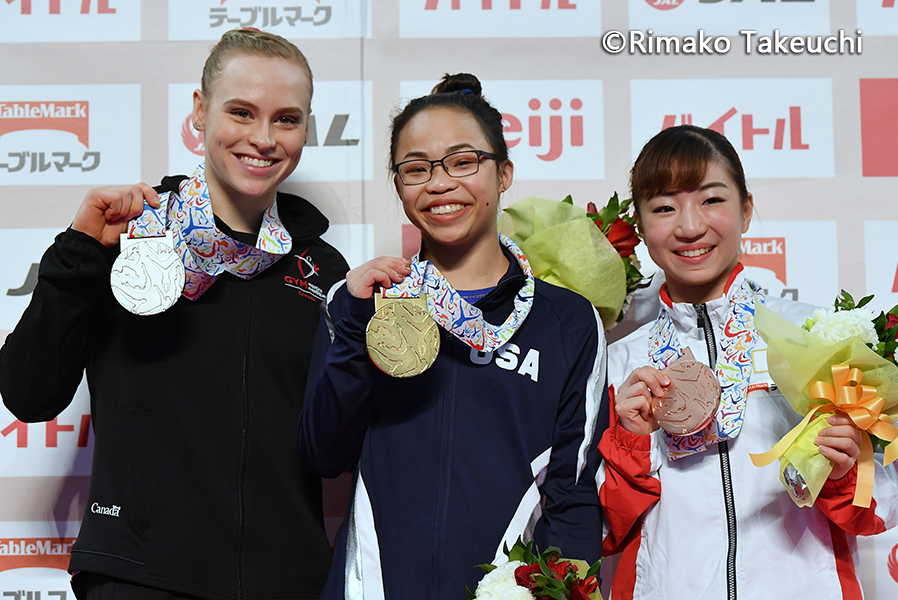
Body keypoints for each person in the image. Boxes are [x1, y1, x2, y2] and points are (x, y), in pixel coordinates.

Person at [0, 29, 349, 600]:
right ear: (199, 110)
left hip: (286, 582)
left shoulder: (322, 268)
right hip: (140, 577)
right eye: (241, 112)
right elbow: (28, 393)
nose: (263, 139)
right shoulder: (127, 238)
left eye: (287, 119)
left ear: (306, 128)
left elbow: (334, 440)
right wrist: (79, 254)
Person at [298, 73, 607, 599]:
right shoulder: (366, 305)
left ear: (504, 173)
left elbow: (573, 493)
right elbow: (324, 454)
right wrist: (352, 325)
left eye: (464, 162)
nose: (440, 184)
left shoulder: (568, 321)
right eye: (416, 169)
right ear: (398, 186)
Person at [597, 124, 898, 600]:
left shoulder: (818, 339)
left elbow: (881, 508)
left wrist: (842, 474)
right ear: (639, 227)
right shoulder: (616, 365)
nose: (690, 226)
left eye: (712, 200)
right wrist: (631, 442)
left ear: (747, 209)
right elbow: (598, 532)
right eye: (664, 207)